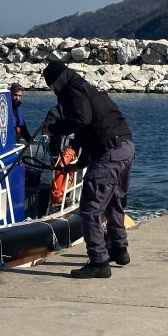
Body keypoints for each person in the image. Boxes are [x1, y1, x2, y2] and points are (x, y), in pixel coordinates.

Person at [42, 59, 134, 279]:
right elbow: (89, 130)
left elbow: (81, 122)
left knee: (90, 209)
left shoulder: (71, 91)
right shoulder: (86, 88)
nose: (53, 92)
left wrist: (53, 129)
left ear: (55, 82)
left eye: (51, 87)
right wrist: (80, 164)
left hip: (108, 153)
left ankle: (99, 262)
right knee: (113, 202)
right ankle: (119, 249)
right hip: (125, 148)